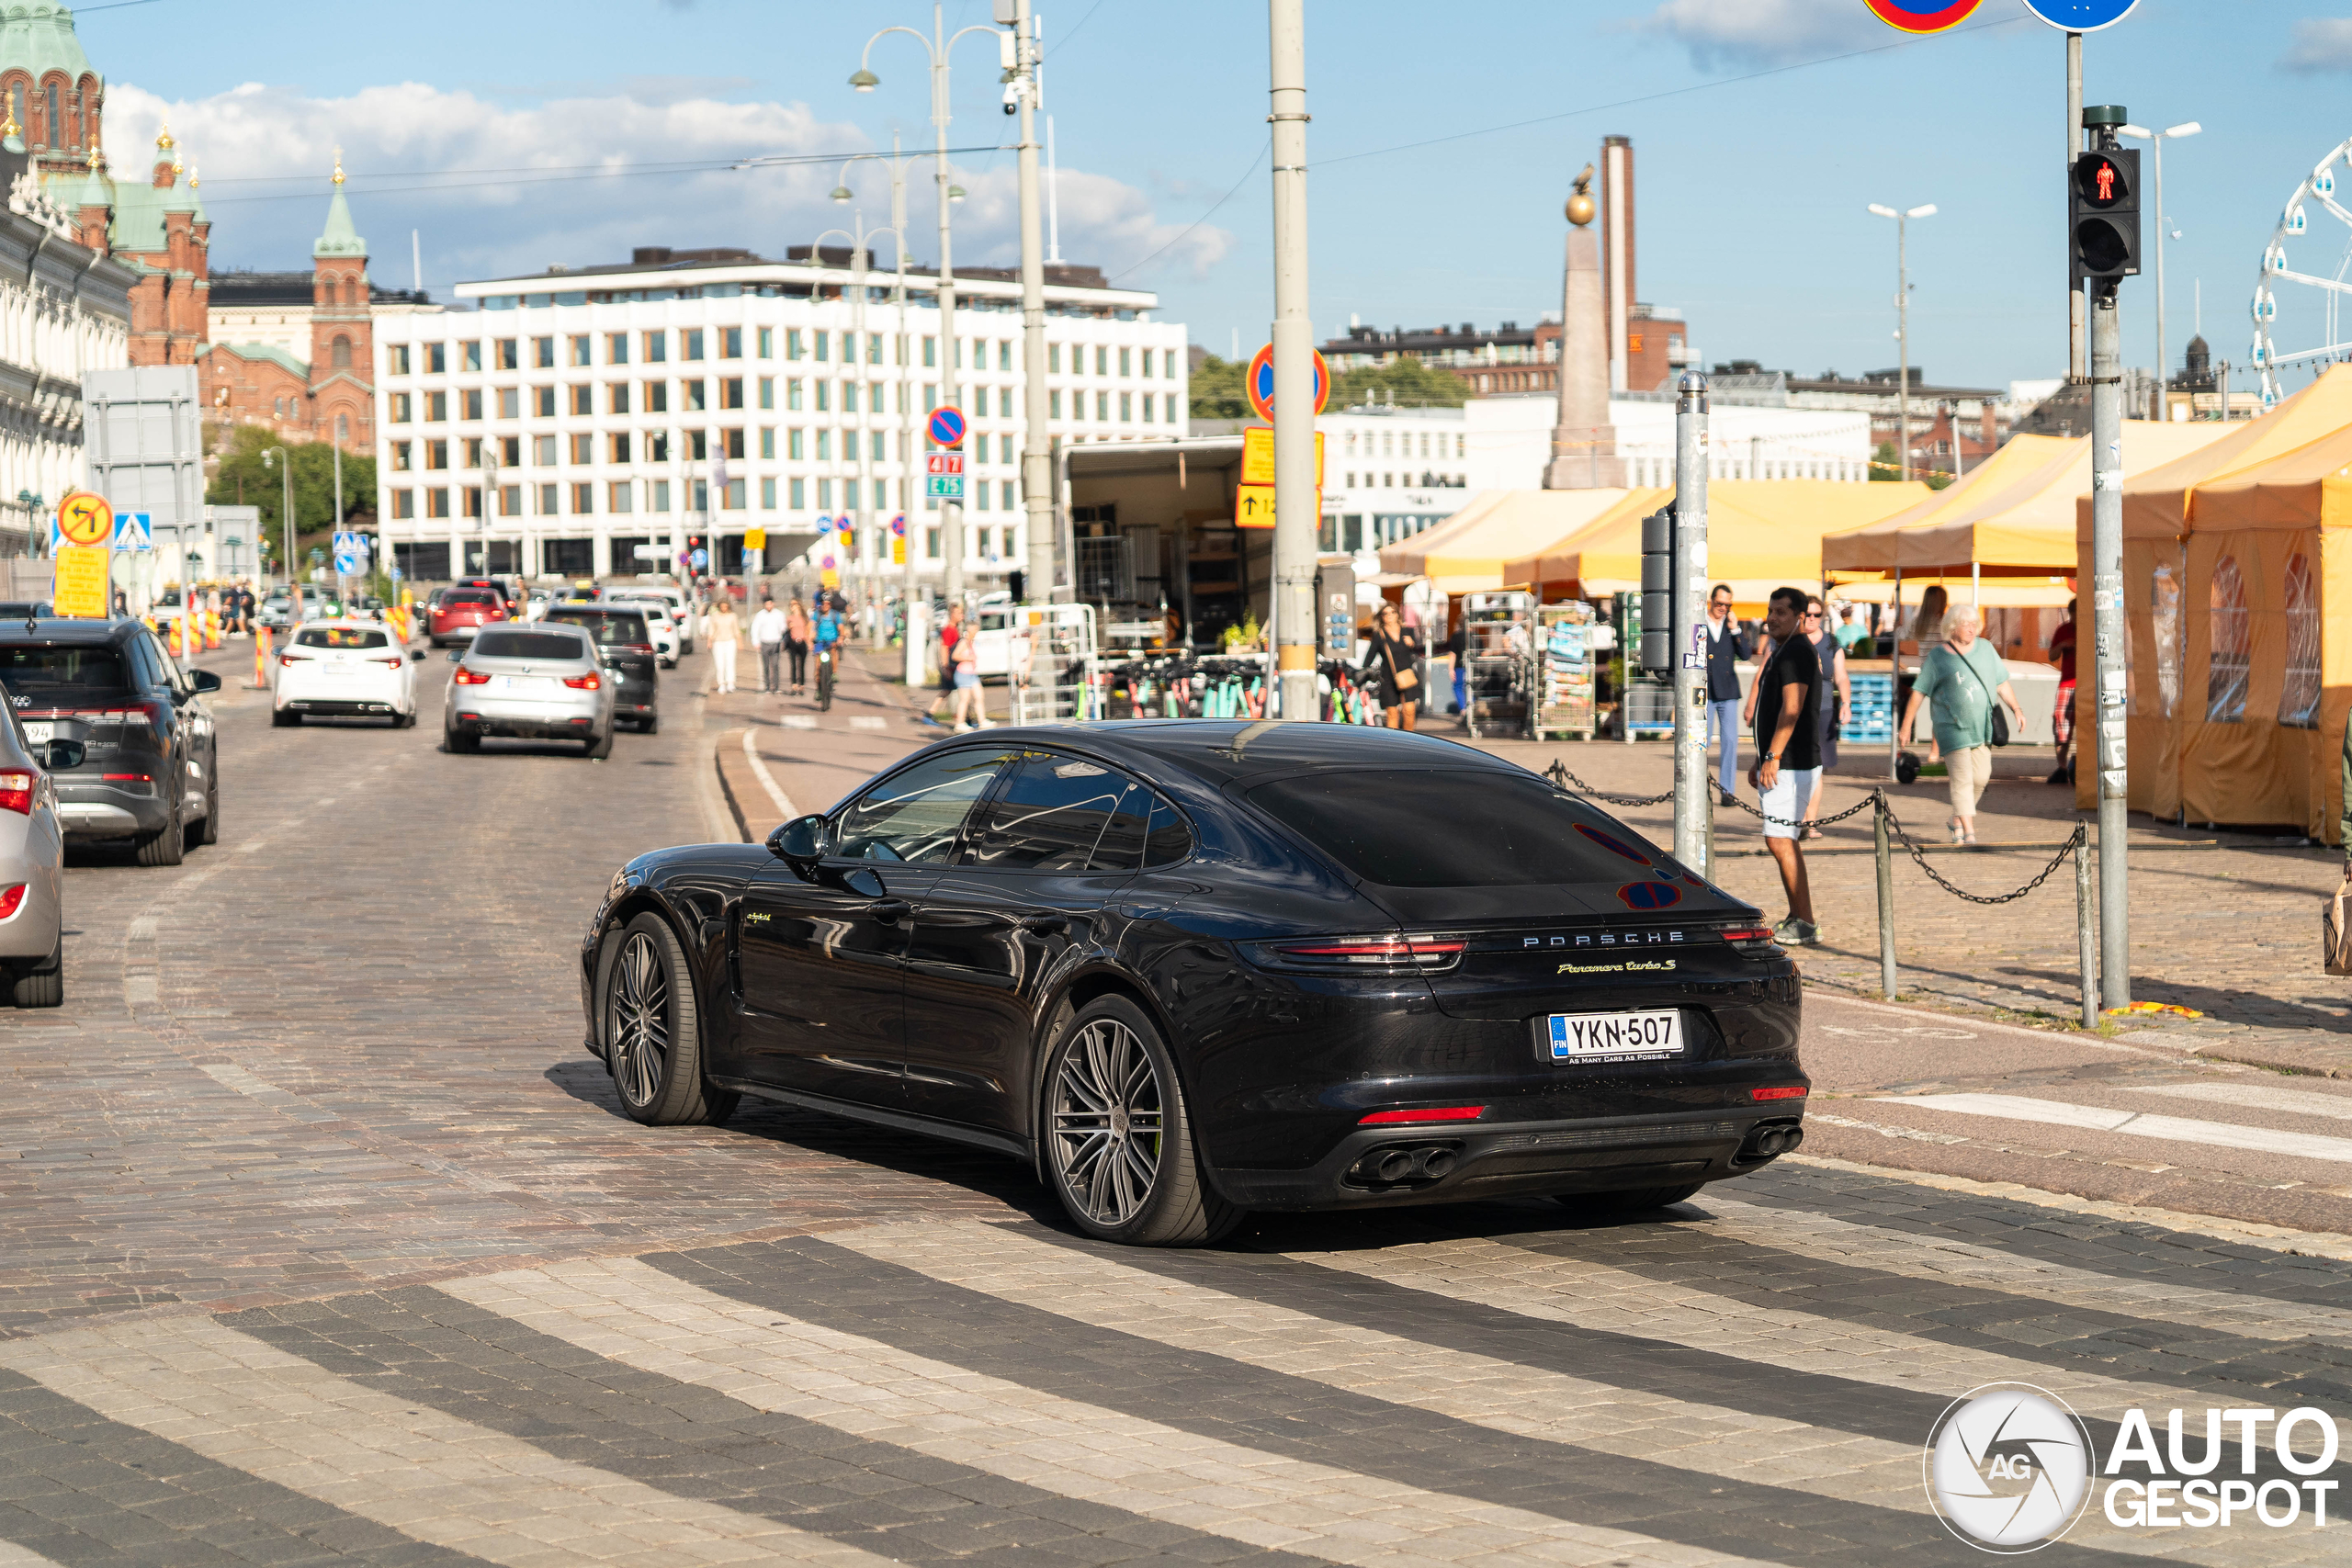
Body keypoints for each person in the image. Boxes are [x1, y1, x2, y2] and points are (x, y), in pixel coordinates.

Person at [1900, 603, 2024, 846]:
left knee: (1981, 777)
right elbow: (1918, 692)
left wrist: (2017, 709)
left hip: (1982, 726)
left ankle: (1957, 818)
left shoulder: (1987, 649)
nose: (1971, 628)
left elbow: (2001, 682)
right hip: (1951, 727)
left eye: (1974, 624)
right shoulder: (1938, 657)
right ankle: (1969, 831)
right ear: (1952, 628)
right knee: (1962, 778)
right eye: (1965, 624)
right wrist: (1906, 726)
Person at [1750, 587, 1823, 946]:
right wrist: (1760, 755)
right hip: (1782, 759)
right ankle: (1799, 915)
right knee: (1782, 839)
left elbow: (1791, 709)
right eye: (1770, 610)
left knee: (1781, 839)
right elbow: (1769, 709)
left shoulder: (1796, 651)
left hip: (1792, 763)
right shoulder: (1784, 650)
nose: (1773, 617)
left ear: (1800, 617)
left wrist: (1773, 756)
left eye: (1781, 612)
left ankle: (1805, 920)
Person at [1799, 596, 1850, 840]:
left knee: (1816, 769)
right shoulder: (1792, 640)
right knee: (1798, 767)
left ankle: (1810, 822)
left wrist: (1847, 703)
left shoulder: (1831, 643)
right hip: (1795, 710)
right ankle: (1795, 818)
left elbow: (1841, 676)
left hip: (1823, 710)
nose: (1811, 618)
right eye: (1807, 614)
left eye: (1816, 615)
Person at [1703, 584, 1750, 806]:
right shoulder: (1699, 622)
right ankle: (1699, 786)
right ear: (1711, 601)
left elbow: (1746, 654)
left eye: (1727, 604)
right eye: (1719, 603)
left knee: (1730, 741)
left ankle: (1727, 790)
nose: (1723, 608)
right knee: (1701, 741)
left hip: (1728, 690)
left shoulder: (1731, 627)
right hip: (1704, 691)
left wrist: (1736, 629)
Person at [1361, 601, 1423, 731]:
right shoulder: (1379, 635)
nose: (1389, 615)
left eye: (1393, 612)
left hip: (1407, 675)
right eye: (1385, 613)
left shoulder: (1407, 631)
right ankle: (1394, 743)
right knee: (1392, 713)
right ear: (1381, 617)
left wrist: (1413, 644)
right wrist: (1361, 673)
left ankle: (1408, 739)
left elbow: (1420, 650)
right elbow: (1370, 657)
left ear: (1397, 614)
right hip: (1389, 678)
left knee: (1409, 710)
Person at [2047, 599, 2078, 785]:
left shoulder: (2093, 627)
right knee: (2061, 723)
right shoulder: (2063, 630)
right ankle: (2062, 767)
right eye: (2074, 615)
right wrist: (2063, 645)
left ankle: (2079, 767)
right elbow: (2051, 656)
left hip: (2087, 684)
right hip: (2067, 684)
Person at [949, 615, 984, 730]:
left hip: (972, 673)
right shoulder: (964, 642)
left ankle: (982, 720)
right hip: (963, 673)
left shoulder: (972, 642)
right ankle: (959, 723)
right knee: (965, 699)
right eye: (974, 630)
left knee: (979, 696)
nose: (975, 632)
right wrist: (968, 659)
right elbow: (955, 656)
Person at [705, 593, 743, 694]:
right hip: (718, 642)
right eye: (722, 606)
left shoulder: (732, 616)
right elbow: (711, 630)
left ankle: (730, 682)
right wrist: (709, 641)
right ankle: (721, 683)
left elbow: (736, 630)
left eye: (725, 606)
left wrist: (739, 642)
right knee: (719, 664)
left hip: (730, 641)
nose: (723, 608)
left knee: (730, 662)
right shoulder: (715, 616)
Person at [751, 594, 786, 694]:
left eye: (770, 604)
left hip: (776, 642)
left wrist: (783, 638)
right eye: (766, 605)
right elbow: (755, 628)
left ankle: (776, 686)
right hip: (765, 642)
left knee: (775, 665)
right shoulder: (760, 615)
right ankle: (767, 686)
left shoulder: (779, 614)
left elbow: (783, 627)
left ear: (773, 604)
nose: (768, 606)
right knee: (766, 665)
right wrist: (756, 642)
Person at [813, 596, 843, 710]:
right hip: (820, 642)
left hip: (831, 642)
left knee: (834, 652)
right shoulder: (817, 615)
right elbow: (811, 627)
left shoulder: (835, 615)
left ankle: (834, 672)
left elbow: (841, 628)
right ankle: (818, 689)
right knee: (817, 666)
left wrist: (840, 638)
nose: (825, 606)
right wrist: (810, 640)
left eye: (827, 604)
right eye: (823, 604)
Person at [785, 596, 811, 696]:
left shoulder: (804, 618)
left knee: (802, 665)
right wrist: (788, 627)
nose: (792, 607)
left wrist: (809, 643)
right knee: (793, 665)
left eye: (794, 604)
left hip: (802, 642)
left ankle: (802, 686)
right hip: (792, 642)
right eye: (791, 605)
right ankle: (794, 685)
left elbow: (807, 631)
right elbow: (785, 630)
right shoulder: (789, 618)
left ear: (799, 605)